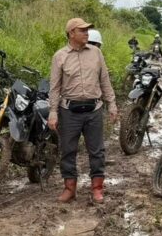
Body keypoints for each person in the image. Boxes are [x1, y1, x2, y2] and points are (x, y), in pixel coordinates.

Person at [49, 18, 118, 204]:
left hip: (94, 109)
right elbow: (55, 88)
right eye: (83, 30)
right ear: (72, 33)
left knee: (97, 151)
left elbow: (105, 80)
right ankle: (69, 188)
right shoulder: (60, 56)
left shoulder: (96, 53)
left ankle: (97, 189)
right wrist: (53, 112)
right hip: (69, 111)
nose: (87, 33)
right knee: (67, 151)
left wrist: (112, 104)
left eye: (88, 30)